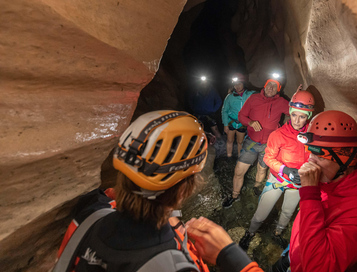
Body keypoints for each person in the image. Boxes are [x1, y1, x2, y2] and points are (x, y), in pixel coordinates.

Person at [53, 110, 263, 272]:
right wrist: (231, 257)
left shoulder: (89, 212)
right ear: (184, 190)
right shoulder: (175, 266)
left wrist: (167, 222)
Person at [282, 110, 357, 272]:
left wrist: (309, 194)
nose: (311, 163)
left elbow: (318, 267)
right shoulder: (331, 179)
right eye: (310, 152)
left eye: (321, 157)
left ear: (347, 160)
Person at [238, 89, 315, 250]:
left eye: (302, 116)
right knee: (260, 215)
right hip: (278, 179)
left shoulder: (312, 136)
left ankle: (278, 233)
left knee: (287, 213)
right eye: (294, 115)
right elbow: (267, 158)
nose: (297, 120)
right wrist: (285, 170)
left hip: (298, 183)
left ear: (308, 117)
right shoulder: (278, 134)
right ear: (290, 113)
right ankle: (250, 233)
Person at [223, 78, 289, 207]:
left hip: (268, 145)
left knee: (261, 169)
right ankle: (234, 195)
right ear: (264, 86)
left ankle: (257, 189)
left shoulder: (281, 102)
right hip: (251, 143)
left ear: (278, 90)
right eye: (269, 85)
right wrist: (250, 122)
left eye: (274, 86)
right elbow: (242, 115)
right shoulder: (254, 98)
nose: (271, 88)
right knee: (238, 171)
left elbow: (294, 112)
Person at [221, 73, 255, 157]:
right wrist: (225, 124)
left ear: (244, 84)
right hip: (231, 122)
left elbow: (262, 94)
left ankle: (240, 158)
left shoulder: (250, 95)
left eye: (240, 83)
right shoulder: (230, 96)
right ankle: (229, 157)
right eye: (235, 84)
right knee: (230, 140)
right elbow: (224, 110)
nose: (237, 86)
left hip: (242, 123)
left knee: (240, 142)